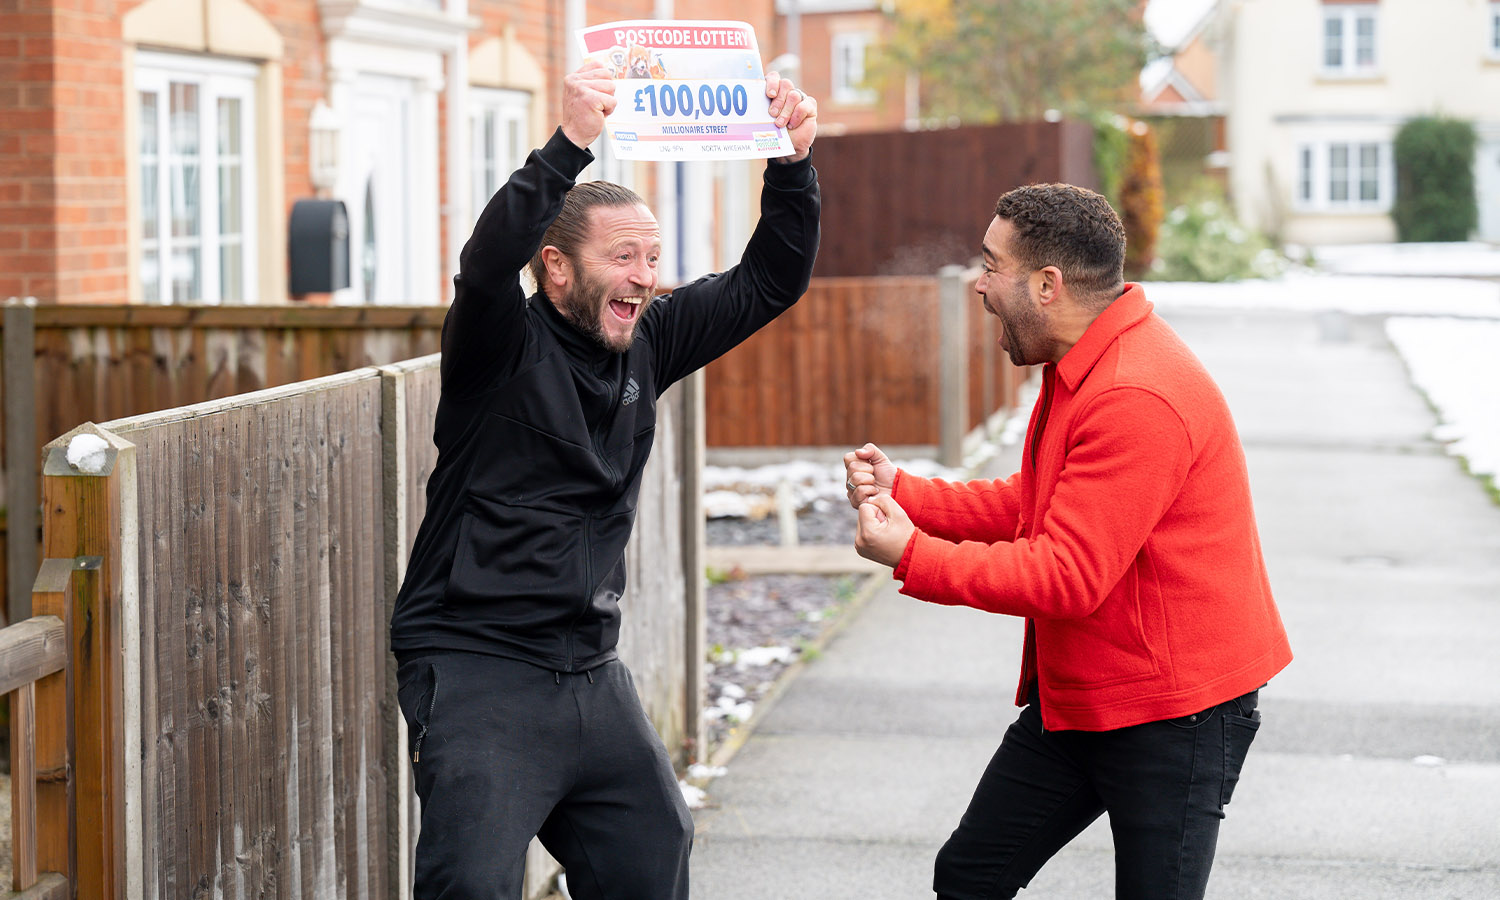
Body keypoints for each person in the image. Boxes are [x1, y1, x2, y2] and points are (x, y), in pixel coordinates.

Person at [389, 60, 819, 900]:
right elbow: (483, 266)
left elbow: (770, 281)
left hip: (589, 669)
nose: (645, 275)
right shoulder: (497, 348)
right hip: (477, 666)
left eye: (653, 258)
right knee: (471, 886)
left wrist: (793, 163)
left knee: (652, 851)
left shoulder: (649, 342)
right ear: (555, 267)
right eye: (624, 257)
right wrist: (569, 144)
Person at [845, 183, 1292, 900]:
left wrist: (913, 555)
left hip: (1177, 714)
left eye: (991, 266)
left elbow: (1065, 574)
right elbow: (1046, 500)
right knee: (971, 874)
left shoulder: (1133, 394)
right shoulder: (1085, 364)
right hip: (1091, 695)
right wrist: (908, 495)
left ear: (1047, 285)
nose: (980, 286)